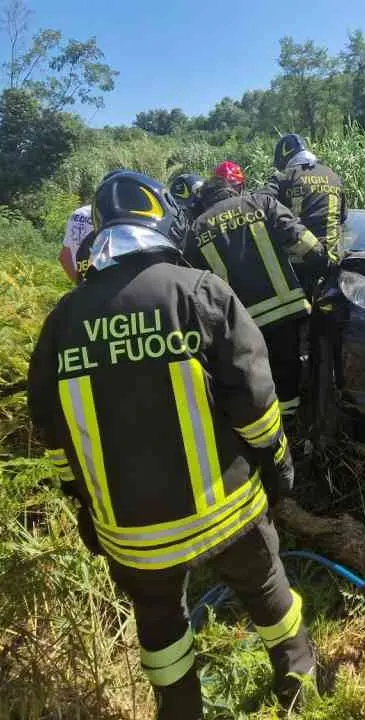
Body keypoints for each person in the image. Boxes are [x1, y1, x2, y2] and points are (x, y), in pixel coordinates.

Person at [27, 171, 315, 720]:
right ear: (163, 220)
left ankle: (179, 710)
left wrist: (83, 504)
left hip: (132, 535)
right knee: (268, 593)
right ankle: (301, 687)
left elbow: (51, 434)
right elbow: (255, 402)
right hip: (228, 514)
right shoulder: (199, 292)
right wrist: (278, 467)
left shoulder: (61, 322)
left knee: (160, 624)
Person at [188, 174, 329, 421]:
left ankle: (263, 432)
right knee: (288, 376)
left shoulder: (196, 230)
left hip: (240, 325)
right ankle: (291, 428)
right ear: (233, 189)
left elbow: (191, 287)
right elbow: (309, 248)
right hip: (285, 314)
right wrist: (321, 265)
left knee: (253, 382)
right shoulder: (262, 204)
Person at [261, 134, 347, 262]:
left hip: (300, 261)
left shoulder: (284, 177)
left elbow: (260, 203)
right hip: (333, 258)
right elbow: (343, 217)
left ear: (284, 160)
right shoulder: (333, 176)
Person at [59, 202, 93, 282]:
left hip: (84, 285)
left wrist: (80, 286)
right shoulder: (114, 217)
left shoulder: (78, 213)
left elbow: (64, 256)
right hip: (109, 287)